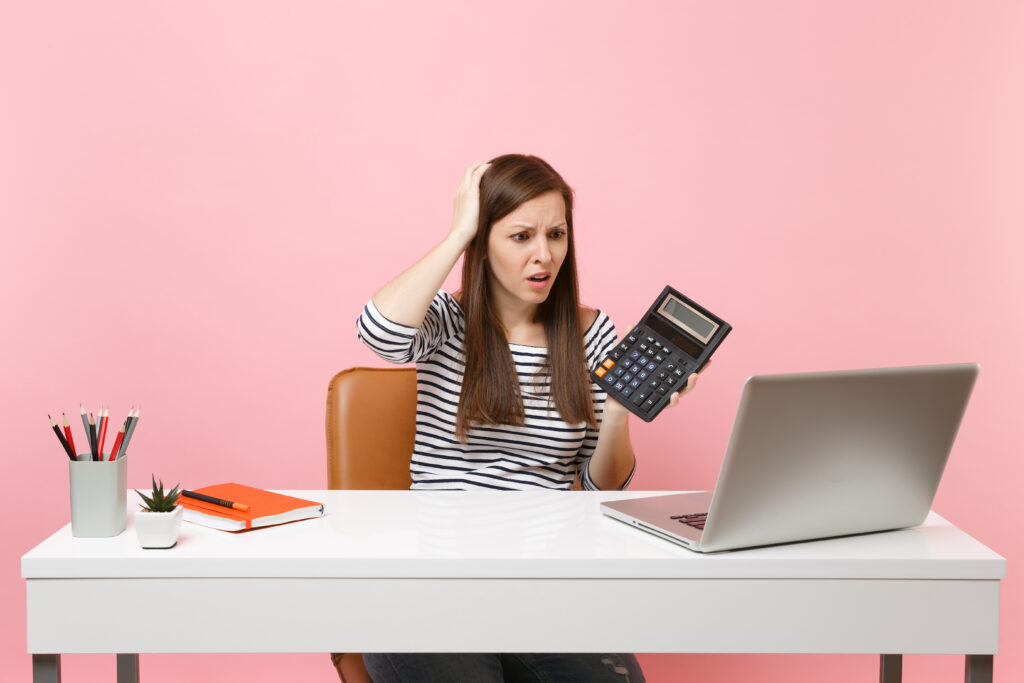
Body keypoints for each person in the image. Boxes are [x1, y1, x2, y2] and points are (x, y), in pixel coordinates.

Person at [353, 154, 703, 682]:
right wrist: (456, 235)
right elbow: (379, 333)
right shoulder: (448, 321)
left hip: (542, 587)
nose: (545, 255)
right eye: (521, 237)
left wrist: (619, 414)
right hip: (434, 583)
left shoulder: (590, 333)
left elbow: (597, 482)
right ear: (484, 243)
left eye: (556, 235)